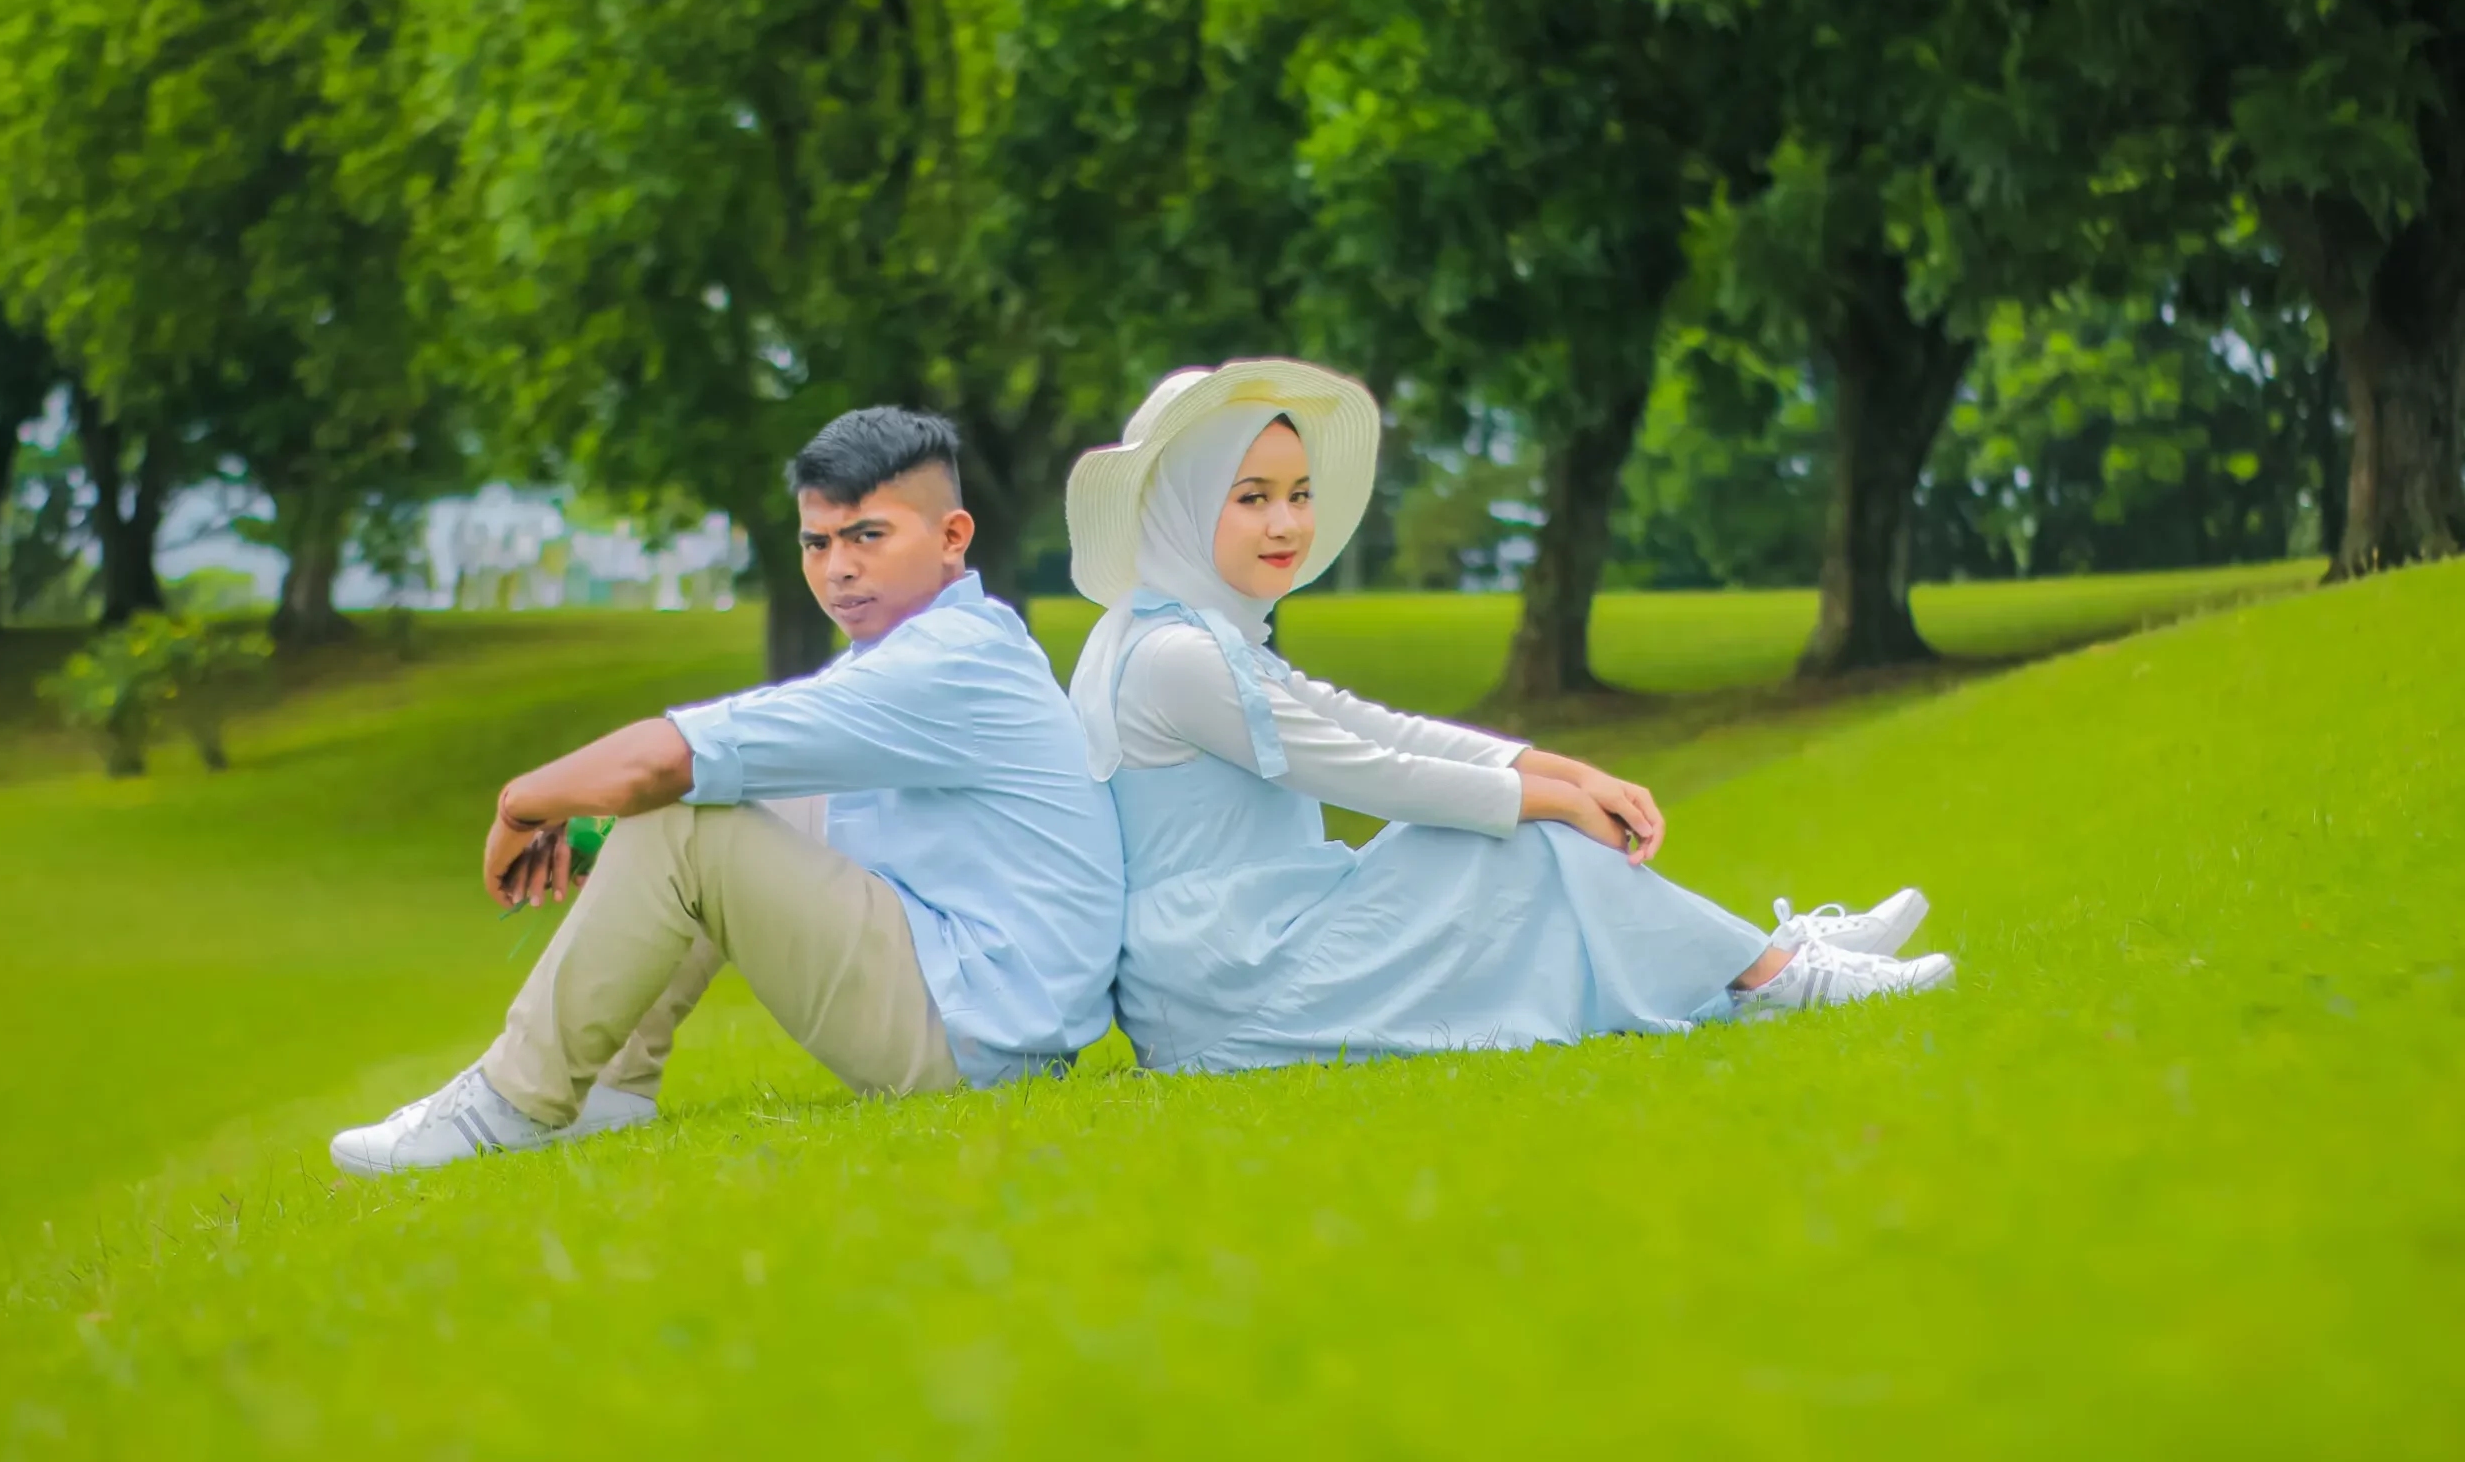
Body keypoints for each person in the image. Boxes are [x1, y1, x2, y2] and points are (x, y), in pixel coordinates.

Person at [1065, 360, 1956, 1076]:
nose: (1287, 522)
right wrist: (1553, 801)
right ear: (1182, 505)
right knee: (1514, 839)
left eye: (1299, 493)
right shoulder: (1176, 657)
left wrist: (1567, 771)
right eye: (1252, 496)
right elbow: (1365, 773)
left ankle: (1761, 961)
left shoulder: (1209, 640)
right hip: (1228, 986)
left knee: (1517, 838)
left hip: (1257, 945)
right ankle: (1773, 971)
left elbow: (1377, 727)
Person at [331, 408, 1126, 1174]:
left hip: (978, 1037)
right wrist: (598, 828)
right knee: (696, 800)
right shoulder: (921, 651)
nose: (838, 568)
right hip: (980, 1015)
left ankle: (510, 1101)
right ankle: (605, 1084)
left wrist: (523, 803)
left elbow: (670, 761)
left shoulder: (952, 660)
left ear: (952, 536)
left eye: (867, 536)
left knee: (685, 815)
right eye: (816, 542)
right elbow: (736, 766)